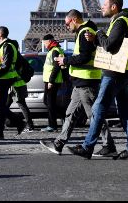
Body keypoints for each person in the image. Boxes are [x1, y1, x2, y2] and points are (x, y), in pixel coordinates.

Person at [69, 0, 128, 160]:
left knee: (98, 107)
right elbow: (109, 44)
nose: (101, 7)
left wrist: (99, 34)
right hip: (123, 71)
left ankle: (88, 147)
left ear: (114, 7)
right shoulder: (122, 21)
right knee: (125, 112)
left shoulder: (120, 22)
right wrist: (97, 39)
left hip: (115, 72)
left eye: (104, 4)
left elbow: (110, 46)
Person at [39, 9, 115, 156]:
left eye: (67, 23)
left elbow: (85, 57)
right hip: (80, 81)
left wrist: (65, 60)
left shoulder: (85, 32)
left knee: (94, 116)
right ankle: (58, 144)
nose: (67, 27)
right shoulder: (85, 31)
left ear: (74, 19)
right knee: (71, 114)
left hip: (86, 80)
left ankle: (109, 146)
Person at [0, 26, 27, 139]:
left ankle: (18, 122)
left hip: (4, 78)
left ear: (0, 34)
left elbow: (6, 64)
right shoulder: (10, 45)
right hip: (6, 77)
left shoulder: (7, 46)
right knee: (1, 106)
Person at [41, 34, 64, 132]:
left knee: (50, 103)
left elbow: (56, 67)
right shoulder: (54, 50)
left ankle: (53, 125)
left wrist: (51, 81)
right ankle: (64, 116)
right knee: (49, 102)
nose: (44, 45)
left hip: (52, 81)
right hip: (51, 80)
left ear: (49, 41)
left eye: (45, 42)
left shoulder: (54, 51)